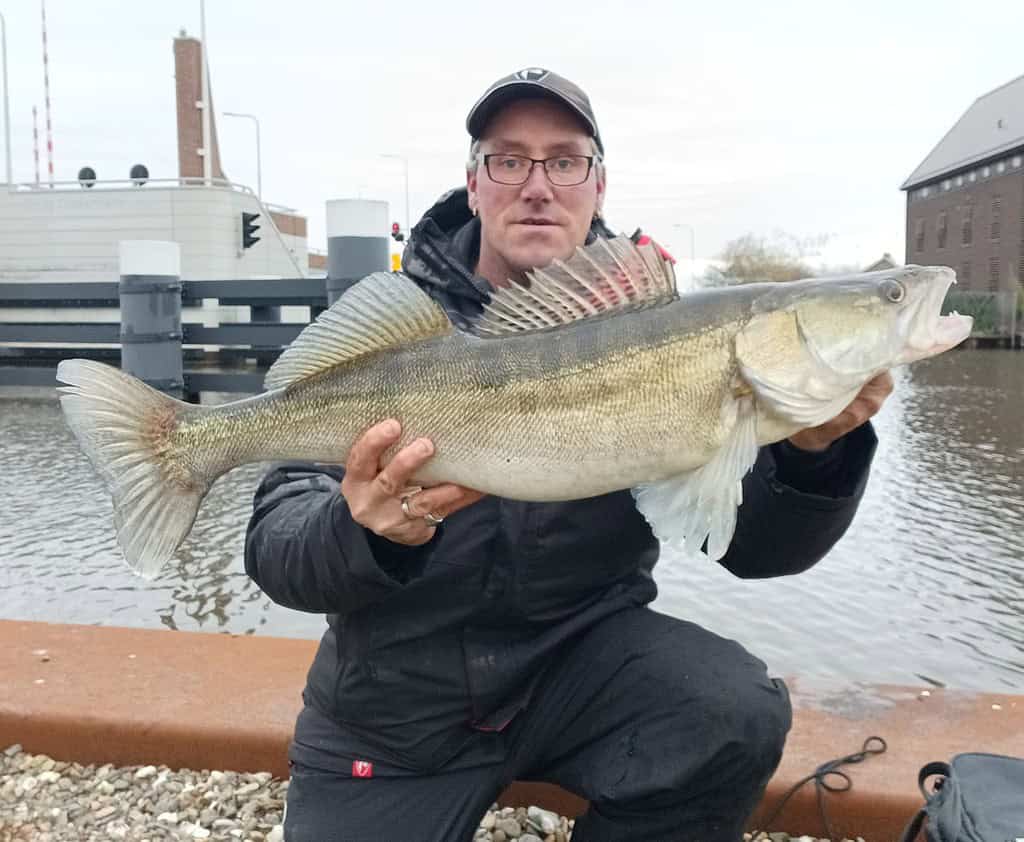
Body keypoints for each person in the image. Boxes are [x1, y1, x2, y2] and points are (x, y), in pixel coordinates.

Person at [245, 68, 892, 842]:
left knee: (730, 709)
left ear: (598, 183)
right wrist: (364, 530)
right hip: (394, 700)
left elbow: (758, 553)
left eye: (565, 160)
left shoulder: (672, 336)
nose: (538, 185)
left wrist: (815, 455)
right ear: (474, 184)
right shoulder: (394, 340)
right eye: (509, 160)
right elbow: (276, 552)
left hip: (579, 666)